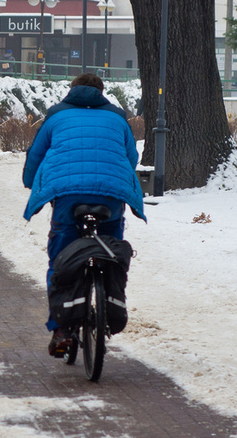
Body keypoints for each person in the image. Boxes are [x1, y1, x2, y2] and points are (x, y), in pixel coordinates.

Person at [22, 73, 146, 356]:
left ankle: (62, 329)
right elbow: (130, 158)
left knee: (61, 258)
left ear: (72, 90)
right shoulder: (117, 118)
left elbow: (36, 156)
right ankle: (109, 297)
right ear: (102, 92)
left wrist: (31, 183)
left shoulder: (55, 116)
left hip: (69, 196)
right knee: (109, 250)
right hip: (110, 196)